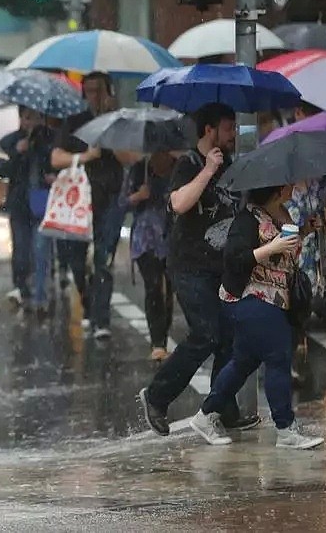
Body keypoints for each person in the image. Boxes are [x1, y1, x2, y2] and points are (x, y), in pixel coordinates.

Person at [139, 104, 259, 436]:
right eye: (227, 128)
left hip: (220, 267)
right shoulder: (190, 163)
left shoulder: (232, 166)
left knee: (228, 339)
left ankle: (222, 408)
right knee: (206, 333)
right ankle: (157, 396)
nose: (233, 134)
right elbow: (178, 204)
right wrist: (207, 170)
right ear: (209, 131)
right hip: (189, 265)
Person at [190, 184, 324, 450]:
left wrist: (305, 231)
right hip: (253, 299)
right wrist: (271, 247)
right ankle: (285, 429)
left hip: (276, 299)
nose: (293, 187)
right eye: (287, 185)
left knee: (243, 362)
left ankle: (205, 415)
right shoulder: (247, 219)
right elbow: (235, 259)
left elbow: (285, 254)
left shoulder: (281, 214)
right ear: (275, 191)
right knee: (278, 357)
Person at [50, 71, 135, 338]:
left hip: (112, 199)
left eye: (99, 90)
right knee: (77, 262)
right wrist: (88, 155)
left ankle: (102, 320)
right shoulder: (75, 122)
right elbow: (56, 158)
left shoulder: (118, 121)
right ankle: (89, 306)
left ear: (109, 91)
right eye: (89, 91)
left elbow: (130, 157)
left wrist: (109, 133)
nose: (94, 96)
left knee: (103, 259)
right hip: (80, 203)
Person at [286, 103, 326, 354]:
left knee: (300, 282)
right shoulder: (300, 144)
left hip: (306, 224)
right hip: (302, 223)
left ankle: (319, 320)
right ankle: (304, 333)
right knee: (301, 283)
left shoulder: (321, 146)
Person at [0, 107, 56, 313]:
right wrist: (17, 152)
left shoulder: (49, 140)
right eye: (27, 117)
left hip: (42, 200)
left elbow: (55, 165)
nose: (31, 122)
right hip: (20, 202)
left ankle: (41, 292)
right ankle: (21, 287)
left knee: (41, 249)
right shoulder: (10, 141)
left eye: (36, 117)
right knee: (21, 248)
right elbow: (1, 169)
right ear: (21, 118)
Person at [123, 152, 175, 361]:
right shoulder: (139, 169)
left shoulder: (179, 167)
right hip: (145, 239)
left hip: (171, 235)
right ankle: (158, 342)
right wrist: (138, 196)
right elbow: (122, 203)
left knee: (170, 287)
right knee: (153, 287)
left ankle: (163, 335)